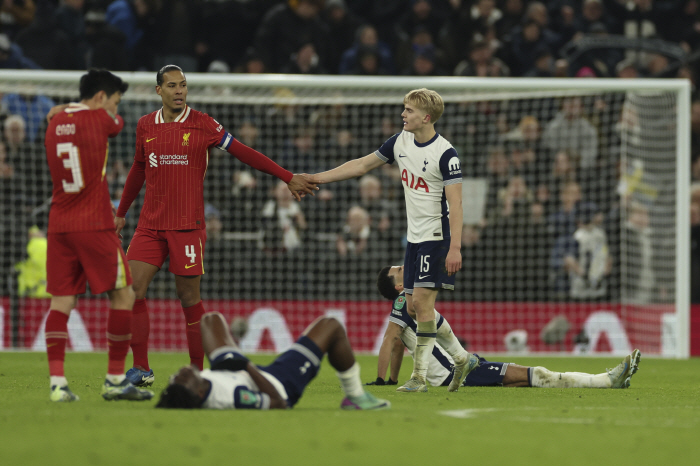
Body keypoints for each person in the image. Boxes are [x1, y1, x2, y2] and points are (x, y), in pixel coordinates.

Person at [114, 65, 317, 387]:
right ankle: (141, 368)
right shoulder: (144, 126)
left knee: (188, 298)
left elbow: (244, 153)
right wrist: (121, 212)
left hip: (187, 227)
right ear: (159, 91)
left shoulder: (203, 124)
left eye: (183, 85)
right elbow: (138, 169)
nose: (179, 91)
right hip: (149, 226)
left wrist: (287, 176)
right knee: (131, 291)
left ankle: (196, 370)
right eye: (172, 86)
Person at [309, 88, 473, 393]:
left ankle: (419, 378)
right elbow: (361, 165)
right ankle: (463, 358)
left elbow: (457, 204)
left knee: (423, 305)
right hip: (413, 239)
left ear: (426, 117)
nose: (403, 115)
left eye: (409, 110)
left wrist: (455, 247)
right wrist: (318, 178)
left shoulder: (446, 155)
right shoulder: (400, 142)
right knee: (411, 308)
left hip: (437, 237)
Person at [43, 69, 153, 402]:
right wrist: (104, 114)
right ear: (101, 97)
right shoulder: (102, 121)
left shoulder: (52, 123)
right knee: (124, 296)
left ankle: (58, 384)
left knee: (61, 302)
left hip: (59, 224)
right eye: (116, 102)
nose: (117, 111)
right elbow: (117, 126)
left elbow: (64, 113)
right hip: (93, 223)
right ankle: (115, 380)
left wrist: (61, 109)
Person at [372, 265, 642, 389]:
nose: (403, 265)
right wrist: (382, 380)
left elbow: (397, 345)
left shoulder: (412, 301)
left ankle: (607, 380)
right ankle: (606, 381)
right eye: (398, 269)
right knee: (531, 374)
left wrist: (390, 380)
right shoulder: (401, 301)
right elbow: (389, 340)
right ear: (398, 287)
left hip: (459, 367)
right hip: (451, 374)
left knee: (520, 379)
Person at [155, 312, 391, 410]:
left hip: (232, 370)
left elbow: (182, 385)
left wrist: (233, 362)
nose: (182, 371)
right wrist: (245, 364)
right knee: (332, 326)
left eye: (177, 376)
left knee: (210, 320)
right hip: (279, 382)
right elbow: (278, 402)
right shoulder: (232, 397)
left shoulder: (191, 388)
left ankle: (234, 344)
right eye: (185, 377)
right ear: (197, 392)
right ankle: (356, 395)